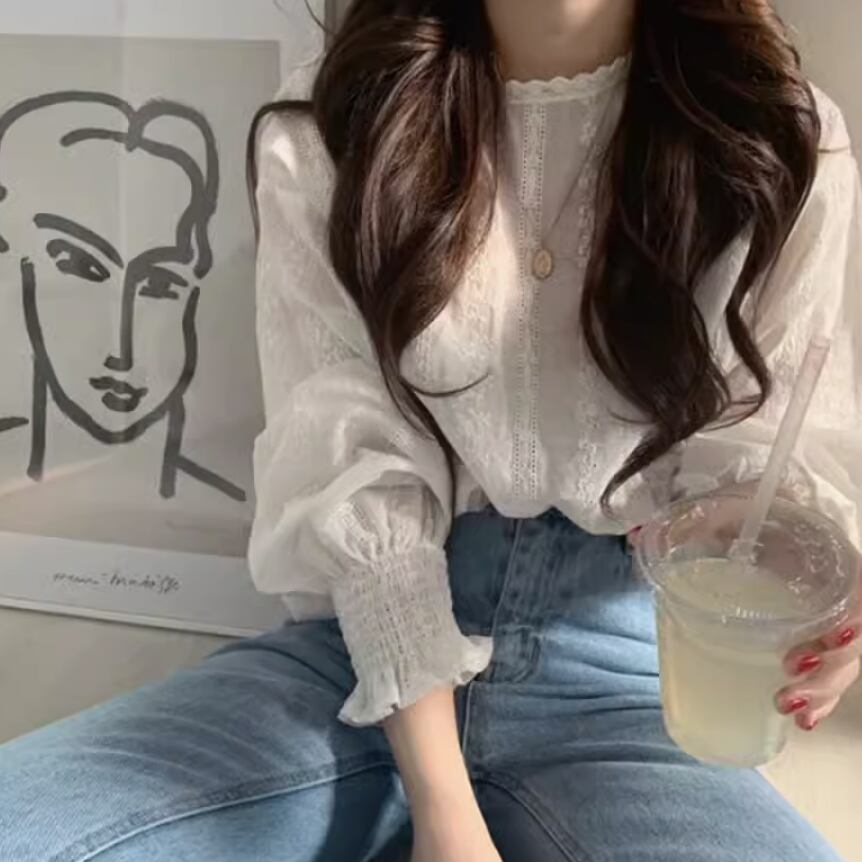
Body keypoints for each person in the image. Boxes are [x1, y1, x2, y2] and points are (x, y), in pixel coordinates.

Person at [1, 2, 861, 860]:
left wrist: (812, 576)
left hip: (633, 683)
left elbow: (768, 460)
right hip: (358, 658)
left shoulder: (780, 135)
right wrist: (443, 810)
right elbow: (349, 462)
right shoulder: (342, 116)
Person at [0, 92, 245, 502]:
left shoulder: (246, 503)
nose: (122, 352)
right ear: (17, 264)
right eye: (83, 268)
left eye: (160, 285)